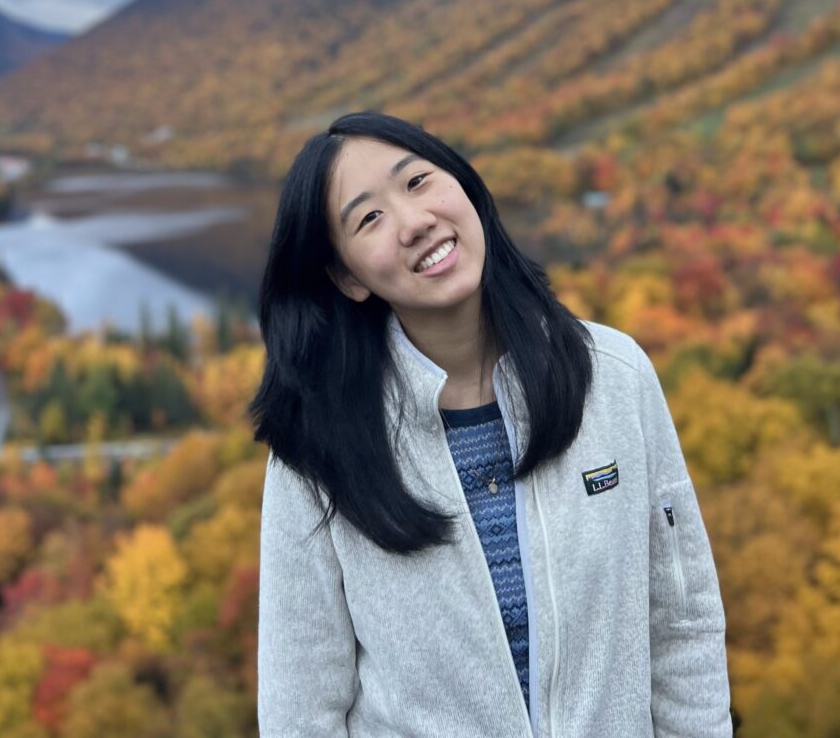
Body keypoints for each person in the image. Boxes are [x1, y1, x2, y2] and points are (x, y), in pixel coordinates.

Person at [251, 111, 732, 738]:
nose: (414, 222)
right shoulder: (316, 450)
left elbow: (683, 623)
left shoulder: (614, 378)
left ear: (464, 187)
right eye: (369, 218)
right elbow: (300, 711)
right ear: (347, 276)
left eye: (418, 182)